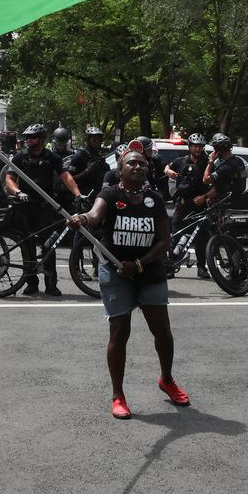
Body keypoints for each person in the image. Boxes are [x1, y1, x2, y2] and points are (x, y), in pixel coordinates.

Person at [68, 148, 188, 419]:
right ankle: (118, 395)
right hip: (116, 273)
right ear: (120, 169)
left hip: (149, 273)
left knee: (163, 332)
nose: (137, 167)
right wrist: (82, 220)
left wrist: (141, 264)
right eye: (131, 163)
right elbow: (94, 216)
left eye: (142, 164)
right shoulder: (110, 195)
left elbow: (164, 241)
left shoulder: (154, 200)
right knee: (119, 334)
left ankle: (167, 380)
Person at [5, 123, 82, 296]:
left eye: (32, 138)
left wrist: (77, 194)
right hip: (25, 208)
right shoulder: (20, 157)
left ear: (41, 139)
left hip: (45, 208)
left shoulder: (52, 157)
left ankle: (51, 284)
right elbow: (9, 179)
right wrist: (17, 191)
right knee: (28, 247)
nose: (28, 140)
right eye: (27, 138)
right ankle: (31, 283)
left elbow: (66, 176)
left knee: (49, 246)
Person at [165, 133, 213, 278]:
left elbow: (216, 185)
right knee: (176, 235)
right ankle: (171, 266)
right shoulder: (181, 161)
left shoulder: (208, 163)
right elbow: (167, 167)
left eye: (200, 146)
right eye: (195, 146)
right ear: (190, 147)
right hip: (182, 205)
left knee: (202, 238)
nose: (198, 149)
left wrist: (205, 197)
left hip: (201, 206)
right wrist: (168, 171)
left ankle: (201, 267)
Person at [203, 133, 248, 208]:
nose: (214, 151)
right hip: (236, 200)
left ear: (219, 150)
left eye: (215, 149)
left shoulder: (225, 168)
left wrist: (210, 162)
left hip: (227, 204)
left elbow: (206, 180)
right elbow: (222, 185)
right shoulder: (238, 161)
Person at [68, 126, 108, 199]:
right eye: (94, 139)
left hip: (99, 196)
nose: (97, 142)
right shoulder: (79, 156)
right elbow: (69, 180)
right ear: (88, 140)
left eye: (99, 139)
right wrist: (88, 170)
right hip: (84, 196)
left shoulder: (100, 156)